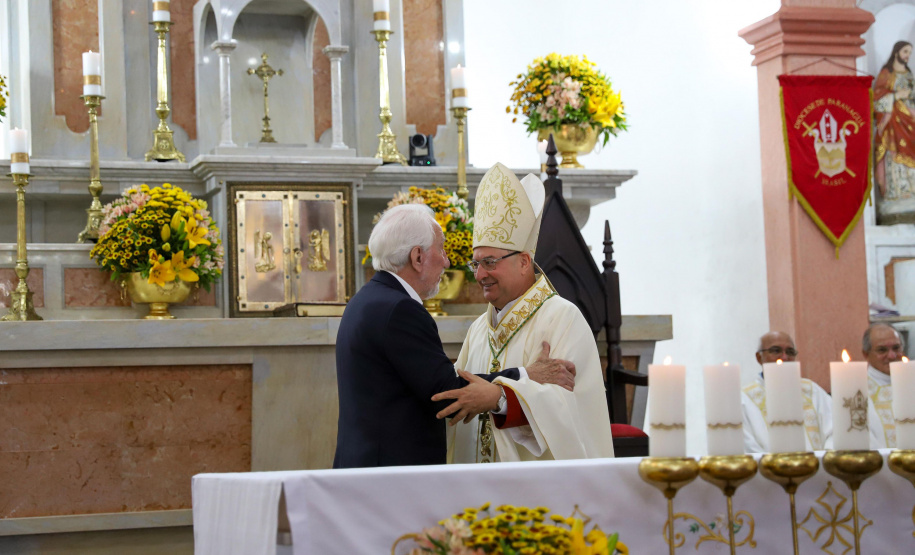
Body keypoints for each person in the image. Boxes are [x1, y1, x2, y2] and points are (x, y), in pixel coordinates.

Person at [333, 204, 576, 468]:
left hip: (371, 466)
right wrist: (526, 376)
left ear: (524, 262)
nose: (448, 261)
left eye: (490, 262)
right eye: (442, 249)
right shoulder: (401, 309)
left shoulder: (366, 299)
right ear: (417, 258)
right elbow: (447, 391)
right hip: (390, 474)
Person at [438, 163, 615, 463]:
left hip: (538, 495)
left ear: (523, 261)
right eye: (476, 264)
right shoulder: (479, 330)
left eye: (490, 262)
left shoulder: (562, 319)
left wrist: (500, 398)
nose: (480, 275)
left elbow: (569, 411)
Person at [741, 331, 834, 452]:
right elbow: (747, 444)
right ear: (759, 358)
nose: (784, 357)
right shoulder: (745, 399)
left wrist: (824, 460)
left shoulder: (811, 391)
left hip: (816, 468)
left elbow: (835, 429)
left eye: (790, 352)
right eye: (776, 350)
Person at [874, 40, 915, 221]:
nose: (907, 56)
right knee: (894, 155)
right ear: (897, 52)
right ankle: (897, 193)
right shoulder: (886, 73)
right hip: (893, 123)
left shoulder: (909, 74)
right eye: (905, 52)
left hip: (910, 120)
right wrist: (897, 96)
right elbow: (876, 100)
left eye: (909, 53)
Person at [862, 323, 906, 448]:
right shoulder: (858, 390)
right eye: (882, 350)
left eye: (896, 348)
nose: (892, 356)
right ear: (866, 354)